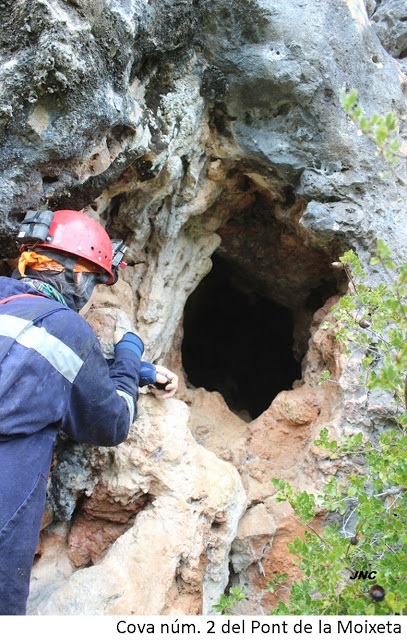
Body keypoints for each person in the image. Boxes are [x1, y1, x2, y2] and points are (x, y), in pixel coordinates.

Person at [0, 209, 178, 615]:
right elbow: (112, 420)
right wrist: (131, 352)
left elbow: (29, 354)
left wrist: (143, 373)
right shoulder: (67, 329)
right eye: (96, 280)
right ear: (78, 276)